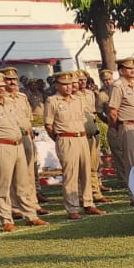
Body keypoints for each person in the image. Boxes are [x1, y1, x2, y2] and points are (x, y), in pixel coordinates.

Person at [0, 73, 45, 231]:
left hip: (17, 144)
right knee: (3, 185)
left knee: (22, 183)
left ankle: (31, 216)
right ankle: (6, 219)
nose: (1, 89)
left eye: (2, 86)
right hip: (1, 146)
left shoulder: (9, 102)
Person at [43, 71, 102, 219]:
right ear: (57, 85)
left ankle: (88, 203)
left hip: (81, 137)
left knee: (85, 172)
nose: (68, 87)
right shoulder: (52, 101)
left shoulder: (78, 100)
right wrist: (59, 139)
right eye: (64, 84)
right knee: (71, 175)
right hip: (66, 138)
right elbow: (48, 125)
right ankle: (72, 207)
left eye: (70, 84)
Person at [106, 56, 134, 196]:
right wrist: (117, 128)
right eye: (129, 68)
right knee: (132, 162)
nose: (133, 70)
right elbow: (113, 111)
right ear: (121, 71)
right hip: (129, 126)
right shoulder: (118, 86)